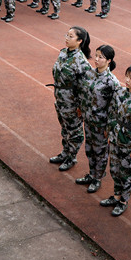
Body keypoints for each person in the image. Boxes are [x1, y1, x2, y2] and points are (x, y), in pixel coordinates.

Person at [101, 64, 131, 217]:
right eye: (127, 76)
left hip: (129, 143)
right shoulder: (120, 93)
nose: (128, 80)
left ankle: (123, 201)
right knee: (114, 169)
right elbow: (113, 114)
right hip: (116, 138)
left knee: (126, 172)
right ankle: (116, 195)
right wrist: (110, 132)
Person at [76, 45, 121, 193]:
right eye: (96, 56)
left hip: (101, 125)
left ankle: (97, 178)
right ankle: (91, 173)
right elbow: (83, 93)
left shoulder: (112, 82)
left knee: (100, 152)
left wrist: (109, 128)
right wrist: (80, 108)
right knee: (89, 149)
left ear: (108, 61)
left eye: (101, 57)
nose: (96, 59)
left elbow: (115, 108)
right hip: (89, 120)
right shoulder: (90, 74)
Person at [49, 27, 92, 171]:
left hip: (72, 103)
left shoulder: (81, 61)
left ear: (79, 41)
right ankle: (65, 152)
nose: (67, 38)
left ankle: (71, 157)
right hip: (61, 99)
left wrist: (80, 107)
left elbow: (85, 88)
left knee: (74, 131)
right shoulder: (63, 53)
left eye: (71, 36)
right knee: (65, 128)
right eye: (66, 35)